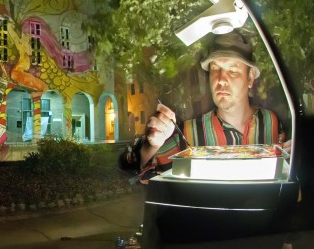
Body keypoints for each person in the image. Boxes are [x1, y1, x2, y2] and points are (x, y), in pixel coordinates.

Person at [120, 29, 282, 179]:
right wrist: (150, 146)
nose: (221, 80)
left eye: (232, 71)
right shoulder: (189, 133)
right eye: (215, 69)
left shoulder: (272, 122)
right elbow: (136, 168)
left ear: (250, 78)